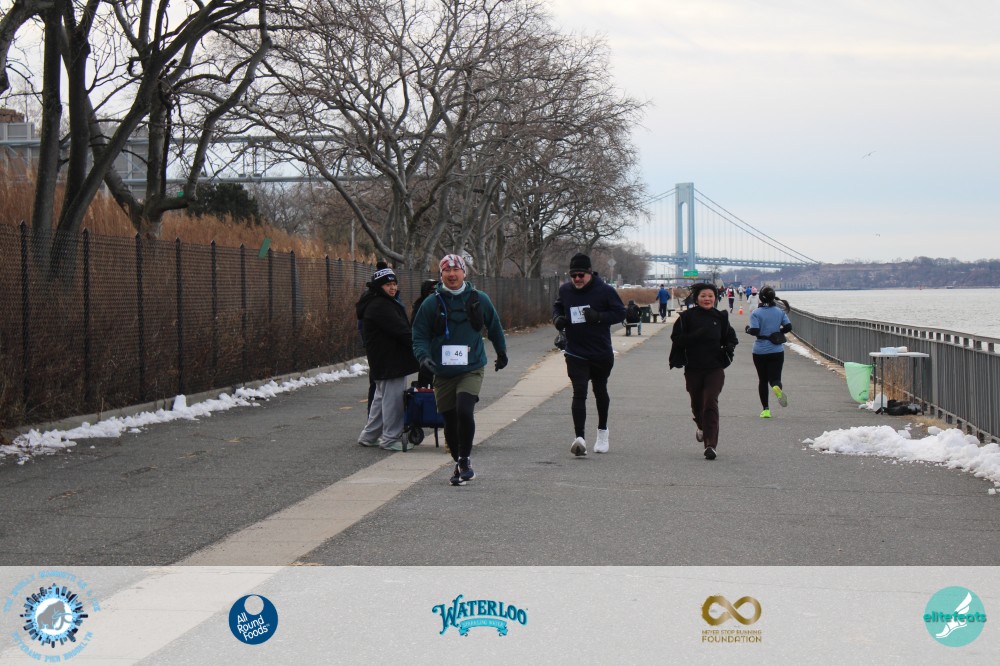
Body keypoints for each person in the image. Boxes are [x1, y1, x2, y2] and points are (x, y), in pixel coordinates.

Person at [412, 254, 507, 485]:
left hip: (471, 368)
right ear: (441, 274)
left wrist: (502, 352)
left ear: (464, 273)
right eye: (447, 270)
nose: (452, 274)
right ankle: (458, 462)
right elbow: (419, 335)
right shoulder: (431, 303)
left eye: (456, 270)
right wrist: (423, 357)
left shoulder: (479, 299)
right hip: (443, 372)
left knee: (464, 410)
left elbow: (494, 326)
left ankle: (465, 460)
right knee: (449, 420)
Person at [552, 253, 626, 456]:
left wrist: (599, 317)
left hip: (600, 352)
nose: (577, 279)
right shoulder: (565, 290)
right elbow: (557, 306)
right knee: (579, 392)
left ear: (589, 273)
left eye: (581, 275)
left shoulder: (605, 291)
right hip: (575, 351)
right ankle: (580, 439)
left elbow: (620, 313)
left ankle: (602, 432)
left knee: (600, 391)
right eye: (573, 275)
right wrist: (557, 318)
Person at [668, 282, 739, 460]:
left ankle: (710, 445)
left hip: (715, 368)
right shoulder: (686, 317)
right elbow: (676, 339)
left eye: (710, 296)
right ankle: (701, 425)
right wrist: (696, 335)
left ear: (715, 298)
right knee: (697, 404)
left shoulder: (720, 317)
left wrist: (728, 348)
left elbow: (731, 338)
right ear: (696, 298)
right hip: (693, 368)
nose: (707, 299)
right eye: (703, 296)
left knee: (710, 403)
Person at [357, 266, 420, 451]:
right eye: (388, 285)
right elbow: (400, 330)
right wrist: (419, 345)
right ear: (379, 286)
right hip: (390, 361)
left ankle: (369, 436)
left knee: (380, 399)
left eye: (394, 284)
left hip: (382, 360)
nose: (392, 288)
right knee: (393, 401)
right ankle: (390, 438)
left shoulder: (376, 302)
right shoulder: (381, 305)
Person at [744, 286, 792, 418]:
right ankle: (776, 387)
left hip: (759, 351)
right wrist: (778, 332)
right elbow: (788, 327)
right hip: (776, 350)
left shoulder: (756, 313)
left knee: (763, 380)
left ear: (760, 297)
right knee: (775, 378)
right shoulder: (779, 311)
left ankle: (766, 410)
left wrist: (747, 329)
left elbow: (755, 331)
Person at [411, 278, 439, 387]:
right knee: (426, 372)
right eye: (431, 291)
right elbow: (416, 328)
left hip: (440, 345)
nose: (433, 293)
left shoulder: (441, 302)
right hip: (426, 346)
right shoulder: (421, 305)